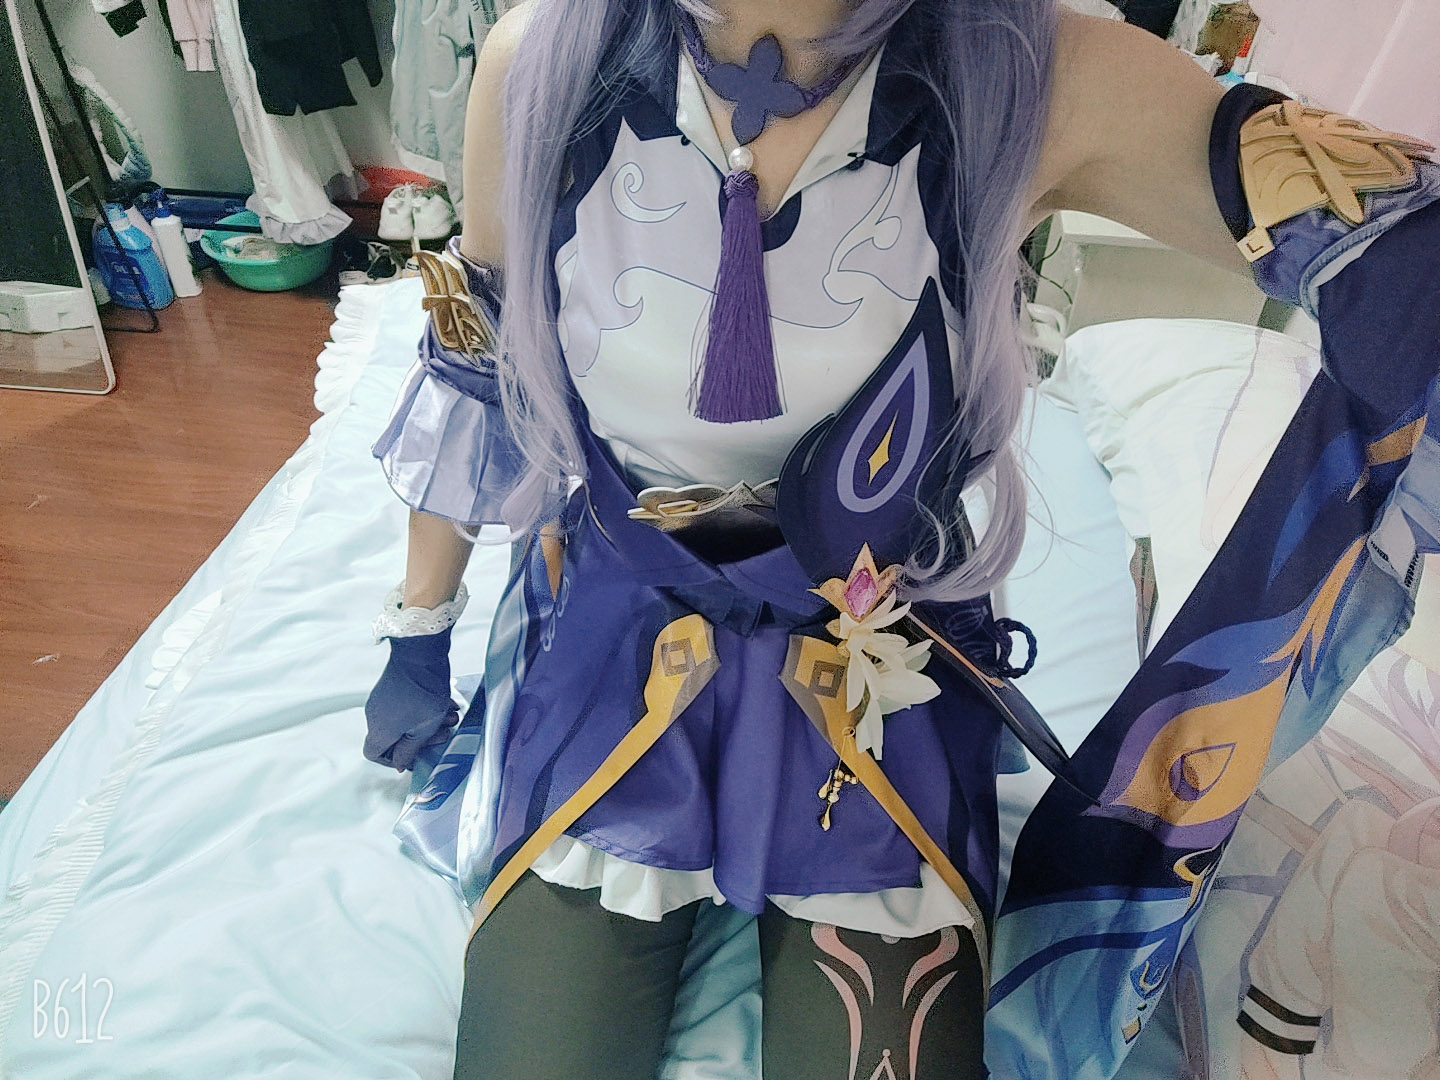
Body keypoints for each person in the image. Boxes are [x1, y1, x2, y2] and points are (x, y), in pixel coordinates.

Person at [362, 1, 1440, 1077]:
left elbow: (1393, 238)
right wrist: (420, 627)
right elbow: (477, 365)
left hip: (876, 671)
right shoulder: (546, 59)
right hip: (620, 645)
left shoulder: (1030, 74)